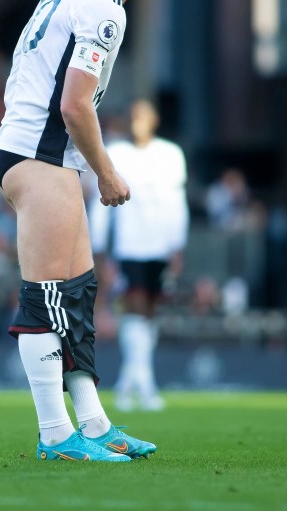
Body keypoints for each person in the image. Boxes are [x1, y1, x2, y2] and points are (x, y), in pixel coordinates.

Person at [0, 0, 201, 462]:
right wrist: (107, 173)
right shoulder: (107, 10)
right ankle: (56, 435)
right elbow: (75, 104)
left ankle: (94, 423)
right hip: (39, 155)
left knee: (78, 297)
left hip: (45, 154)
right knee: (47, 299)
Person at [90, 99, 188, 412]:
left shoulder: (171, 154)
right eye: (133, 116)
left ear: (154, 120)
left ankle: (131, 381)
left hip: (159, 244)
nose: (138, 122)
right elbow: (101, 199)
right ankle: (144, 383)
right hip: (128, 245)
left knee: (150, 311)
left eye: (144, 116)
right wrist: (99, 245)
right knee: (132, 307)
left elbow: (177, 201)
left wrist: (177, 244)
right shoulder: (116, 153)